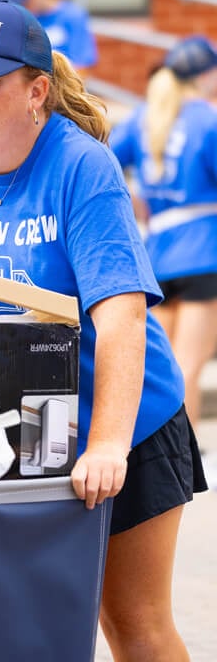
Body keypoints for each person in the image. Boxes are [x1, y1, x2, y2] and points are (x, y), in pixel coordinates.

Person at [0, 0, 206, 661]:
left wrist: (107, 446)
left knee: (133, 624)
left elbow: (122, 314)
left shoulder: (81, 166)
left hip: (124, 419)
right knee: (15, 621)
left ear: (36, 90)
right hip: (10, 426)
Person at [109, 36, 217, 430]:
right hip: (203, 252)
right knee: (190, 363)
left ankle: (162, 452)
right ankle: (184, 459)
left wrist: (135, 198)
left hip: (157, 254)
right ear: (206, 76)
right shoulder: (208, 118)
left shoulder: (145, 114)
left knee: (166, 366)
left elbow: (102, 155)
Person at [8, 0, 98, 72]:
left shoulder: (72, 15)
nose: (22, 4)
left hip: (61, 86)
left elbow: (82, 68)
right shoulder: (22, 18)